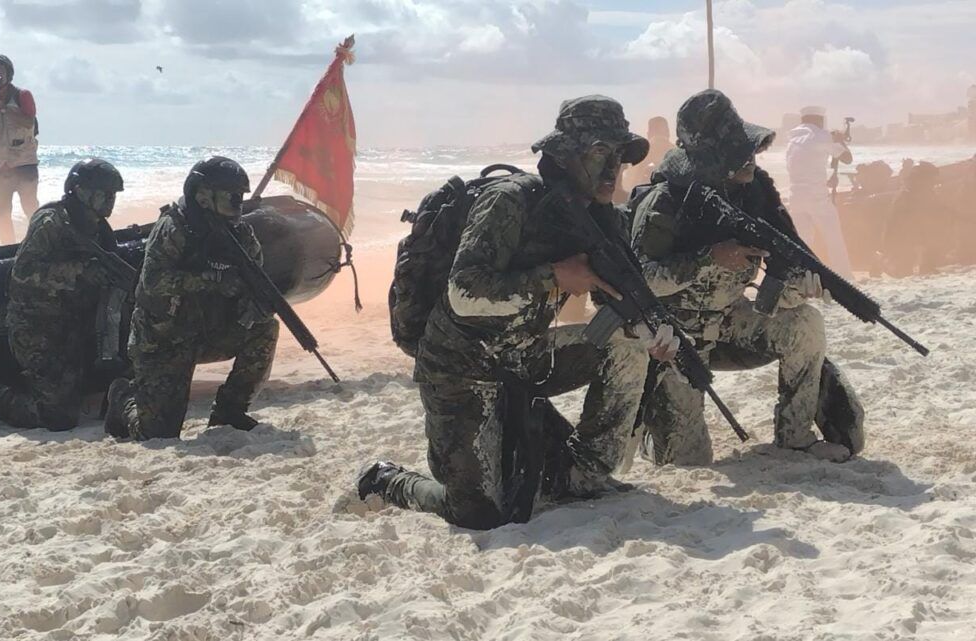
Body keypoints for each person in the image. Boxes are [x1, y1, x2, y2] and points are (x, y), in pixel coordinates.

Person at [358, 96, 680, 530]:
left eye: (619, 158)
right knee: (478, 513)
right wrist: (552, 276)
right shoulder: (510, 201)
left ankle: (584, 473)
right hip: (461, 367)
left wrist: (649, 329)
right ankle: (385, 479)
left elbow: (614, 299)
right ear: (566, 155)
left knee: (626, 347)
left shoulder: (602, 219)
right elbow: (463, 292)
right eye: (600, 154)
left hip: (524, 356)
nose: (612, 171)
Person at [631, 89, 859, 465]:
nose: (749, 159)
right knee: (687, 460)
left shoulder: (753, 195)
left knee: (804, 324)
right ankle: (657, 429)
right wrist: (709, 258)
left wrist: (799, 285)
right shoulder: (665, 202)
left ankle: (795, 436)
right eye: (738, 151)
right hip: (676, 337)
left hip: (731, 321)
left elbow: (785, 254)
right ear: (711, 157)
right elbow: (643, 281)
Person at [103, 156, 279, 440]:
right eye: (231, 197)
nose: (238, 204)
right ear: (203, 196)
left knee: (265, 326)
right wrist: (211, 281)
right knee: (158, 434)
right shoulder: (174, 230)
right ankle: (124, 398)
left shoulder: (241, 235)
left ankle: (230, 411)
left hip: (209, 330)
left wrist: (252, 302)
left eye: (240, 197)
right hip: (164, 339)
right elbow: (152, 283)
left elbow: (254, 281)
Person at [0, 159, 125, 431]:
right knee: (58, 418)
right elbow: (24, 274)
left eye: (113, 195)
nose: (109, 200)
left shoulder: (98, 230)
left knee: (72, 395)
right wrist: (80, 272)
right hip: (37, 326)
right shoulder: (52, 223)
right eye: (103, 193)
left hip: (69, 324)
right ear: (80, 191)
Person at [0, 54, 40, 245]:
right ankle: (9, 248)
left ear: (8, 74)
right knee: (0, 214)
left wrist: (2, 106)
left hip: (23, 164)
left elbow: (29, 121)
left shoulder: (22, 96)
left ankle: (39, 246)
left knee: (31, 210)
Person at [786, 105, 854, 279]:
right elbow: (847, 158)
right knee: (834, 239)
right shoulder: (823, 136)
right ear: (819, 119)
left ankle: (799, 278)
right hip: (817, 197)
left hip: (795, 197)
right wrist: (839, 140)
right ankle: (844, 277)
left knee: (802, 242)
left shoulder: (792, 139)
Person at [616, 115, 675, 200]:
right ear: (668, 133)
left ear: (648, 134)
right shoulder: (678, 154)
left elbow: (628, 183)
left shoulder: (639, 153)